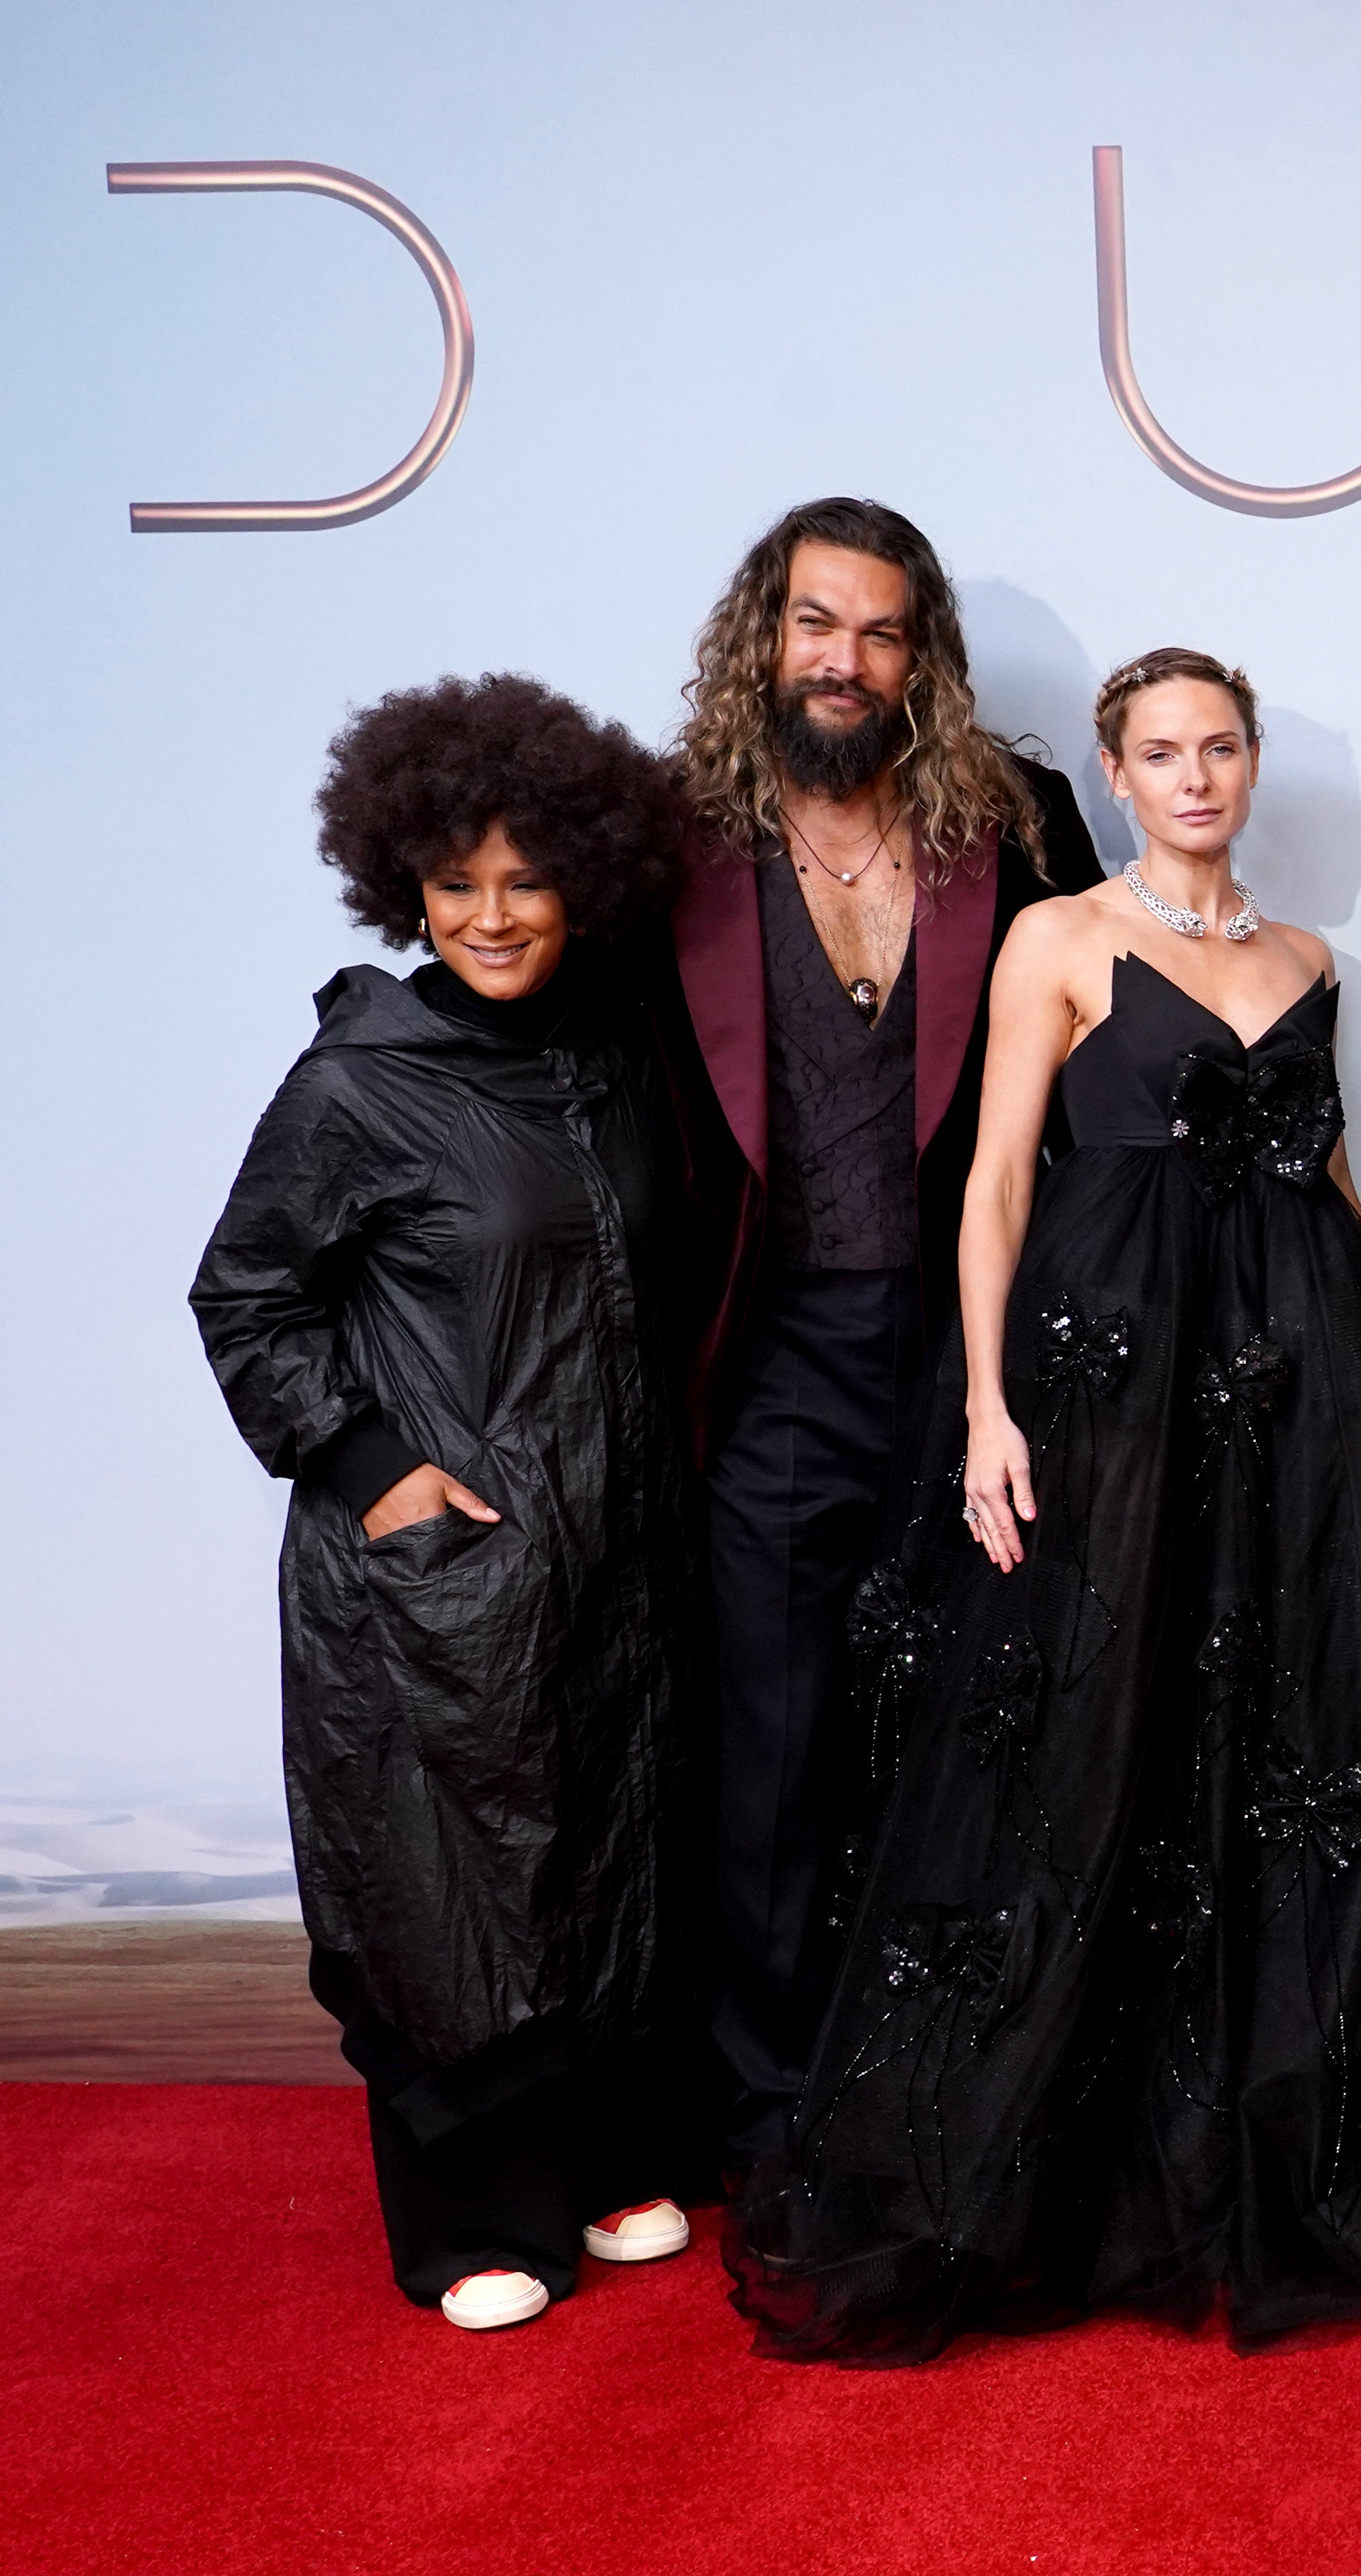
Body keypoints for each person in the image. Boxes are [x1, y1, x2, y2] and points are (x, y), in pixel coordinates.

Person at [725, 649, 1361, 2360]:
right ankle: (1071, 2175)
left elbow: (1335, 1185)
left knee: (1287, 1752)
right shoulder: (1061, 939)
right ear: (1111, 773)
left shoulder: (1319, 959)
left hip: (1301, 1390)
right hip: (1110, 1387)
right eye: (1160, 751)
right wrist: (987, 1408)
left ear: (1250, 764)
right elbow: (999, 1180)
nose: (1193, 775)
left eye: (1219, 745)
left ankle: (1262, 2153)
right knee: (1095, 1747)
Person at [193, 675, 705, 2330]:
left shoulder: (615, 1047)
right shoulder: (359, 1076)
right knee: (447, 1874)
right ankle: (474, 2215)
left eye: (527, 880)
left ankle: (606, 2154)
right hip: (438, 1559)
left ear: (581, 885)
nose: (492, 916)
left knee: (608, 1847)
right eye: (456, 883)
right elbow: (244, 1293)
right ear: (399, 883)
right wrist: (363, 1466)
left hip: (614, 1534)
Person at [652, 497, 1103, 2163]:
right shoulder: (671, 838)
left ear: (925, 660)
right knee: (771, 1747)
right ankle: (772, 2104)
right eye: (815, 624)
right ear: (762, 636)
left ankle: (945, 2082)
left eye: (880, 630)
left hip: (970, 1350)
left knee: (967, 1724)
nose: (844, 659)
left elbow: (1094, 1070)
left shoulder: (1024, 823)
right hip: (761, 1360)